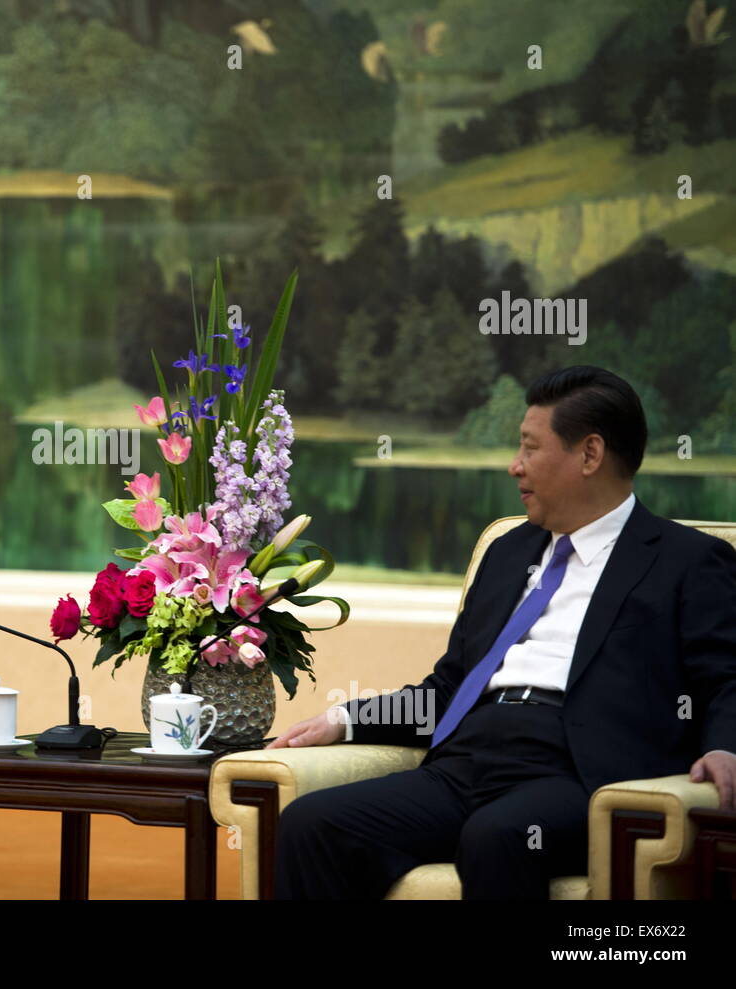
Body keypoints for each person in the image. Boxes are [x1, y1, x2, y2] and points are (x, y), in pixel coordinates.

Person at [269, 365, 736, 899]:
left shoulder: (687, 561)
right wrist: (345, 719)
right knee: (313, 823)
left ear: (589, 454)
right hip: (468, 760)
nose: (515, 467)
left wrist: (728, 747)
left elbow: (727, 678)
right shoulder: (507, 552)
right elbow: (449, 689)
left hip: (579, 773)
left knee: (498, 836)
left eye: (530, 448)